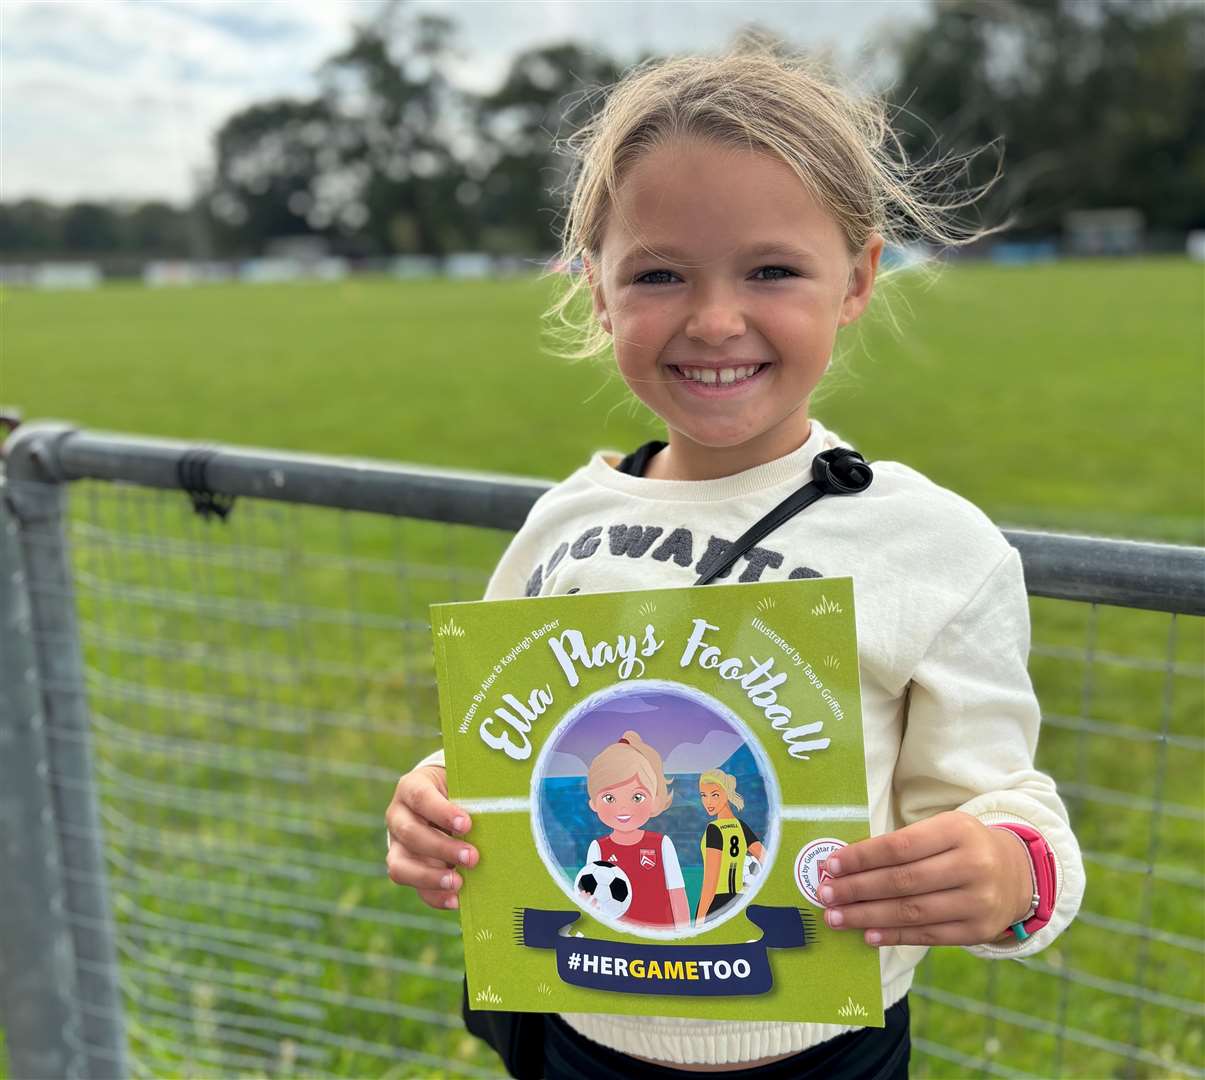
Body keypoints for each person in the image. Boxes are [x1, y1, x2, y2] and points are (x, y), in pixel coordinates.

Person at [385, 42, 1085, 1078]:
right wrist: (433, 806)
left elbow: (1004, 803)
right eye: (659, 274)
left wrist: (1007, 873)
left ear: (857, 277)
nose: (715, 320)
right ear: (596, 293)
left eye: (770, 270)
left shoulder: (933, 546)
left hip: (821, 1050)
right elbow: (505, 760)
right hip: (583, 1039)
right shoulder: (559, 528)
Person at [580, 731, 690, 930]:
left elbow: (677, 894)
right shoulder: (598, 848)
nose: (623, 808)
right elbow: (593, 903)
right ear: (594, 803)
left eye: (637, 797)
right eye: (609, 798)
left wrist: (683, 937)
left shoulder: (661, 844)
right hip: (620, 945)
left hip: (661, 940)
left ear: (654, 800)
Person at [695, 770, 766, 924]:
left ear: (726, 794)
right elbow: (767, 860)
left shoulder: (714, 829)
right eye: (703, 795)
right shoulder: (741, 826)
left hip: (717, 903)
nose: (708, 802)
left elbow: (710, 882)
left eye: (714, 795)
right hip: (739, 901)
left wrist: (699, 920)